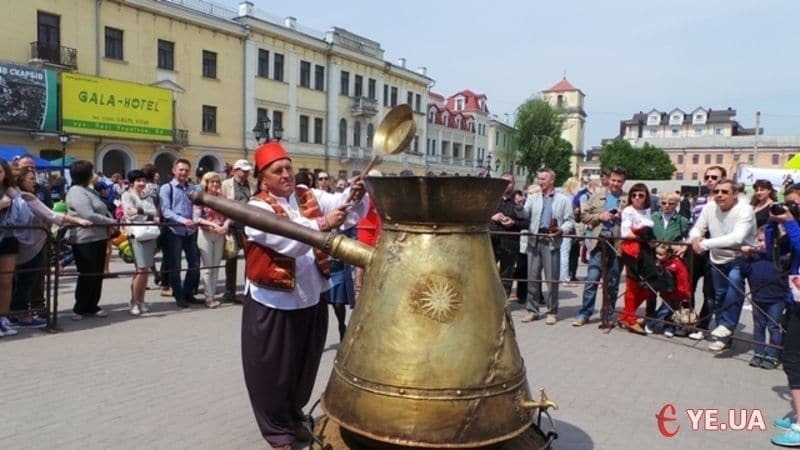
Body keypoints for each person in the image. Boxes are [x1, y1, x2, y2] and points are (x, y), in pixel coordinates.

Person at [241, 141, 368, 449]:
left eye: (288, 167)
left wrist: (354, 195)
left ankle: (294, 417)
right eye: (277, 170)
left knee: (304, 363)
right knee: (272, 370)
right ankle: (276, 432)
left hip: (311, 295)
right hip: (274, 300)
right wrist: (324, 224)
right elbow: (289, 238)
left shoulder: (306, 194)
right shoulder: (257, 207)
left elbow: (341, 207)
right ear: (263, 177)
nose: (286, 174)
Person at [10, 166, 89, 327]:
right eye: (31, 179)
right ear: (21, 180)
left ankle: (15, 313)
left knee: (19, 282)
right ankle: (22, 315)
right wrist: (78, 221)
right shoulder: (26, 197)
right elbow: (52, 215)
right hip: (32, 246)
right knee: (26, 282)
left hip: (22, 244)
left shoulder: (12, 195)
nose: (35, 182)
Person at [689, 179, 756, 351]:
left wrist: (704, 244)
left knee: (734, 286)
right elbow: (697, 227)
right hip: (717, 257)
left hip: (739, 256)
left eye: (725, 192)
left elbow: (737, 237)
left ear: (735, 195)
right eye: (717, 191)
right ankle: (723, 334)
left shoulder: (745, 209)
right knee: (719, 296)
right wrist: (696, 238)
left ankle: (727, 327)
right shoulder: (710, 207)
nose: (719, 195)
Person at [767, 183, 800, 446]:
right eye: (787, 203)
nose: (790, 209)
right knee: (793, 359)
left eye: (795, 204)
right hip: (795, 300)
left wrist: (790, 222)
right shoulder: (792, 227)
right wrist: (772, 225)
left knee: (793, 360)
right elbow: (773, 253)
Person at [574, 167, 628, 328]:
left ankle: (608, 314)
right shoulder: (597, 196)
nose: (616, 184)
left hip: (617, 245)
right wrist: (600, 216)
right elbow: (583, 216)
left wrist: (623, 217)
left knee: (612, 282)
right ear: (608, 180)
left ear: (623, 182)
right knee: (591, 279)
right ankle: (585, 313)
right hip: (598, 244)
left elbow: (637, 219)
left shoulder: (628, 199)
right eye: (613, 180)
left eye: (619, 181)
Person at [65, 160, 118, 321]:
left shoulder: (90, 190)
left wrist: (110, 219)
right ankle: (79, 308)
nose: (95, 174)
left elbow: (103, 208)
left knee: (97, 273)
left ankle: (92, 305)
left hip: (99, 236)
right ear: (86, 174)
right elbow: (87, 214)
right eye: (92, 171)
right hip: (84, 238)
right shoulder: (76, 192)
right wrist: (110, 221)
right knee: (87, 273)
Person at [521, 168, 573, 325]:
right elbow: (525, 215)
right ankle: (532, 310)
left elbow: (570, 221)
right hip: (535, 240)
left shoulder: (564, 200)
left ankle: (552, 311)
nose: (540, 182)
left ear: (552, 181)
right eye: (539, 178)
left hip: (551, 242)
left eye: (543, 179)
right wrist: (519, 207)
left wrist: (561, 230)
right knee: (532, 277)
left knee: (552, 280)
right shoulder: (533, 198)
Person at [688, 166, 726, 340]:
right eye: (707, 177)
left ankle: (702, 326)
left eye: (714, 177)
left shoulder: (726, 202)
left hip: (714, 251)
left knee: (709, 293)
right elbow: (693, 223)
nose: (710, 180)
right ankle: (686, 321)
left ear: (723, 178)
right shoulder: (700, 199)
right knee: (687, 288)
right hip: (696, 250)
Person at [742, 227, 786, 369]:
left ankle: (773, 354)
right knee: (759, 326)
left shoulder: (780, 258)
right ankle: (759, 353)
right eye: (759, 240)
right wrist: (745, 257)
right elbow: (744, 271)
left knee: (773, 327)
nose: (761, 244)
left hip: (776, 299)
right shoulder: (755, 256)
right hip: (758, 297)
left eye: (765, 241)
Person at [160, 158, 201, 309]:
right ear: (174, 170)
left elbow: (197, 206)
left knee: (194, 264)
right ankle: (178, 295)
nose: (183, 172)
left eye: (186, 170)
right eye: (180, 169)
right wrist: (182, 220)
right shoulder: (166, 188)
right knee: (175, 265)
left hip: (190, 231)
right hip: (173, 231)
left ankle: (188, 293)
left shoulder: (192, 188)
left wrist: (196, 219)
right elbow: (166, 210)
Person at [121, 169, 160, 316]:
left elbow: (156, 217)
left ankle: (141, 300)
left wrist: (140, 211)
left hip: (149, 234)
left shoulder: (148, 198)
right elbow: (129, 214)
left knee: (146, 270)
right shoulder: (127, 195)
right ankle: (134, 301)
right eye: (138, 181)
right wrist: (145, 213)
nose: (142, 183)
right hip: (136, 235)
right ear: (132, 182)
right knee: (141, 269)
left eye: (144, 180)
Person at [618, 183, 654, 334]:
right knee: (632, 286)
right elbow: (625, 232)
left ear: (646, 197)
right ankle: (631, 319)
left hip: (646, 252)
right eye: (634, 195)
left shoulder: (648, 211)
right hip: (633, 251)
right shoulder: (628, 211)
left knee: (649, 287)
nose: (637, 198)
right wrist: (642, 236)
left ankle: (626, 315)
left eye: (640, 195)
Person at [221, 159, 255, 304]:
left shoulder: (252, 185)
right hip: (232, 226)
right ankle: (230, 291)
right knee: (231, 259)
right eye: (243, 170)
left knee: (251, 259)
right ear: (235, 171)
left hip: (248, 227)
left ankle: (250, 290)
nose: (246, 173)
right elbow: (221, 204)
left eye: (247, 171)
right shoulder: (226, 185)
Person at [193, 171, 230, 308]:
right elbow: (196, 218)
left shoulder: (223, 197)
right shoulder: (200, 197)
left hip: (220, 234)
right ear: (206, 183)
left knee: (216, 265)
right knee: (208, 266)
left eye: (217, 182)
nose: (215, 184)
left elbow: (229, 214)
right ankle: (208, 297)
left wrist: (225, 225)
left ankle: (212, 294)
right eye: (212, 182)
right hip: (205, 233)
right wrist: (213, 224)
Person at [490, 173, 528, 298]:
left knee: (507, 276)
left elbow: (526, 223)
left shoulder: (519, 201)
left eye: (509, 182)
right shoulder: (491, 198)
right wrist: (492, 217)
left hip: (510, 243)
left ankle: (504, 303)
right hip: (492, 242)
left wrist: (513, 223)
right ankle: (489, 301)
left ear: (514, 184)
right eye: (503, 181)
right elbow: (480, 218)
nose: (506, 184)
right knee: (488, 273)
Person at [651, 244, 691, 338]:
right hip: (666, 292)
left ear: (669, 254)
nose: (657, 256)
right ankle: (651, 323)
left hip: (677, 292)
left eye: (660, 254)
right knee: (665, 310)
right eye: (657, 254)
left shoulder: (677, 264)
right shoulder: (660, 262)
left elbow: (683, 280)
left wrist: (685, 294)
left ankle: (669, 327)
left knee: (673, 312)